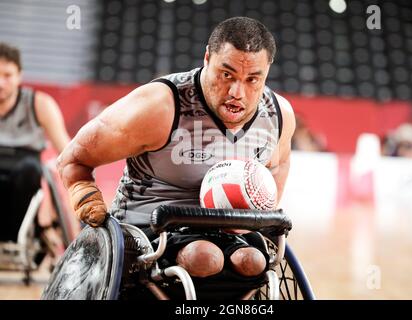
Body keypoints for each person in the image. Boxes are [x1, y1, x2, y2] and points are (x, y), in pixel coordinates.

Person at [57, 17, 295, 291]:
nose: (236, 92)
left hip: (228, 231)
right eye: (226, 74)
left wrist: (260, 218)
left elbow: (278, 164)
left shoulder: (278, 115)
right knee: (204, 257)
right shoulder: (159, 106)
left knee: (253, 261)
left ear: (267, 73)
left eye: (253, 79)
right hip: (149, 228)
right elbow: (72, 158)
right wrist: (82, 189)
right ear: (207, 58)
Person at [0, 42, 71, 243]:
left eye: (7, 75)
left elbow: (67, 151)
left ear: (19, 76)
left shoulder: (39, 103)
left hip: (24, 164)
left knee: (31, 170)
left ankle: (18, 236)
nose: (1, 83)